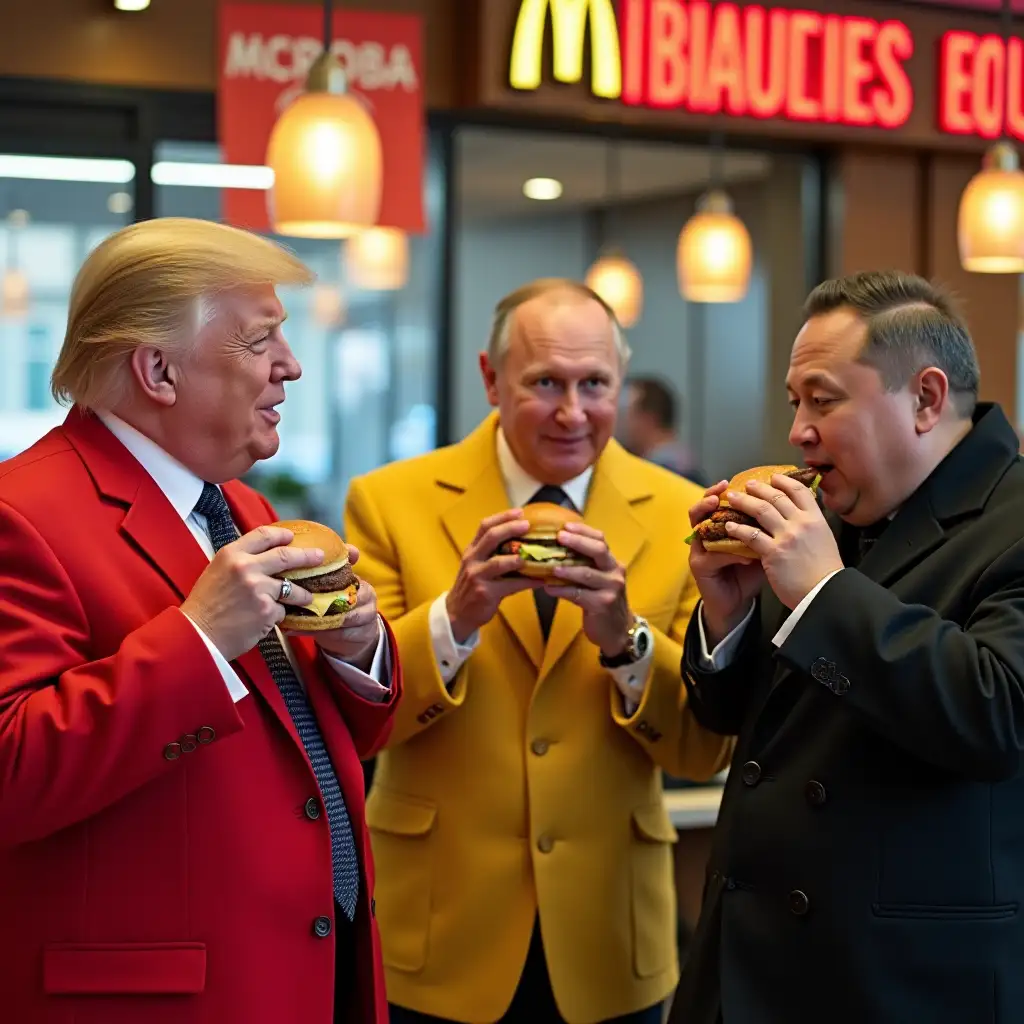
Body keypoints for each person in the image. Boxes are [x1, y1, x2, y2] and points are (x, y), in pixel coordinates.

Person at [0, 218, 402, 1024]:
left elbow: (298, 747)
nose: (291, 366)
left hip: (314, 972)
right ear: (158, 370)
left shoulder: (241, 508)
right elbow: (11, 776)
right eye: (261, 342)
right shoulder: (22, 513)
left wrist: (360, 649)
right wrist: (198, 639)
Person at [344, 278, 734, 1024]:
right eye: (545, 383)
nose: (571, 411)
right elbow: (365, 724)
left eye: (595, 384)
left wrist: (626, 644)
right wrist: (453, 619)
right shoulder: (390, 501)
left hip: (608, 934)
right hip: (437, 931)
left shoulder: (683, 514)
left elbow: (697, 751)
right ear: (491, 380)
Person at [670, 269, 1024, 1024]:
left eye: (823, 399)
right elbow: (748, 728)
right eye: (795, 400)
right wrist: (727, 617)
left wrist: (825, 594)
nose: (798, 429)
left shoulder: (1012, 520)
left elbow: (998, 717)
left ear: (926, 398)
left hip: (899, 985)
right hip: (744, 968)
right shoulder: (835, 515)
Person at [621, 376, 709, 486]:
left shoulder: (665, 474)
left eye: (626, 414)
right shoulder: (686, 467)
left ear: (649, 419)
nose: (621, 424)